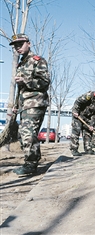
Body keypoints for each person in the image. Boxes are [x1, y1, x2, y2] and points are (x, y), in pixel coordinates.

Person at [9, 34, 50, 175]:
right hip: (24, 104)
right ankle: (32, 160)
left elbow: (45, 83)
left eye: (21, 44)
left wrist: (26, 81)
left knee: (28, 133)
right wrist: (16, 105)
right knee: (22, 134)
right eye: (16, 46)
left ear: (29, 43)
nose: (18, 47)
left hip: (36, 102)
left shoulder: (37, 61)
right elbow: (20, 89)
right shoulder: (22, 64)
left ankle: (31, 165)